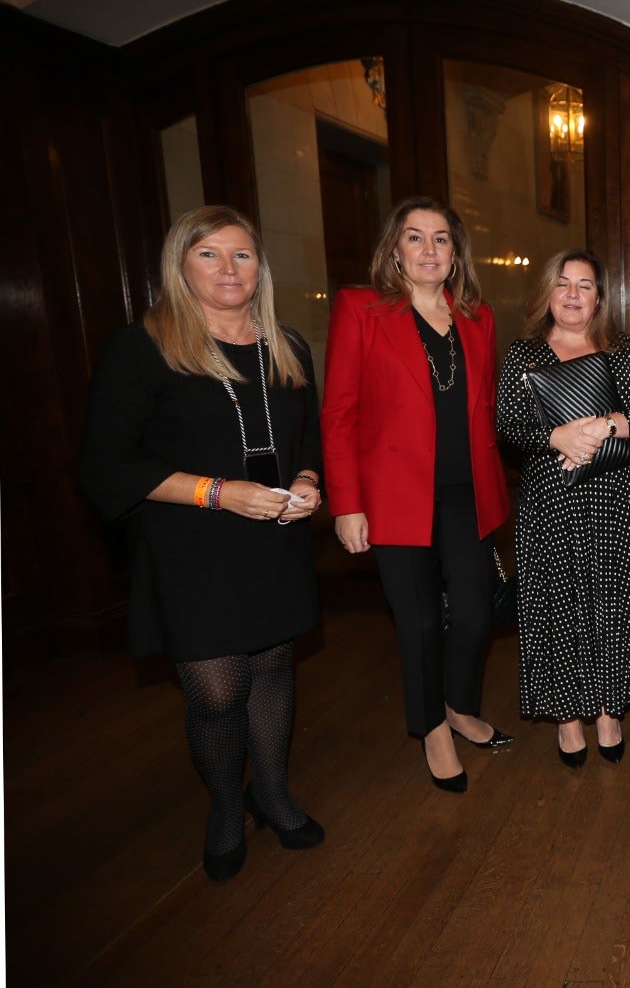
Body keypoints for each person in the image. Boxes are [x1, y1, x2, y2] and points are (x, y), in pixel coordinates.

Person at [79, 205, 325, 881]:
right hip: (194, 549)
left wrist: (307, 479)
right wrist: (217, 492)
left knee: (274, 669)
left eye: (242, 254)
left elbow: (310, 435)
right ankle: (224, 803)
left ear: (260, 268)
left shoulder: (288, 345)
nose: (228, 268)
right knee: (217, 692)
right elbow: (107, 463)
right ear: (180, 265)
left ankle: (270, 791)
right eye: (209, 254)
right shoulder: (144, 347)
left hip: (274, 538)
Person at [322, 196, 514, 794]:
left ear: (455, 253)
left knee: (478, 612)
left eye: (440, 239)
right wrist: (347, 504)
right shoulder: (361, 308)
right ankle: (431, 726)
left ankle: (460, 704)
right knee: (421, 622)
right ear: (395, 249)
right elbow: (339, 413)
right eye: (415, 238)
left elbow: (487, 407)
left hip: (468, 491)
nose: (429, 250)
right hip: (394, 495)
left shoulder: (478, 317)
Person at [496, 250, 630, 767]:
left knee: (613, 600)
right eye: (563, 283)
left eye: (585, 285)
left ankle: (609, 712)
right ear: (547, 292)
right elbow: (507, 424)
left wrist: (604, 426)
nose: (573, 294)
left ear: (599, 297)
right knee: (560, 605)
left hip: (616, 498)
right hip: (552, 500)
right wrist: (557, 435)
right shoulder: (523, 357)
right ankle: (569, 720)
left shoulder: (625, 350)